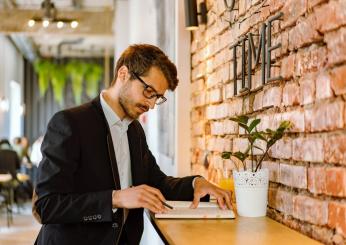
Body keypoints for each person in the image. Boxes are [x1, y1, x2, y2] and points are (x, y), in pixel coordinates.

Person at [33, 44, 233, 245]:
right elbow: (46, 206)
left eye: (157, 97)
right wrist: (115, 198)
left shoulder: (135, 131)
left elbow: (157, 183)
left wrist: (196, 183)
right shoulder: (70, 123)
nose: (152, 105)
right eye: (148, 91)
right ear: (123, 73)